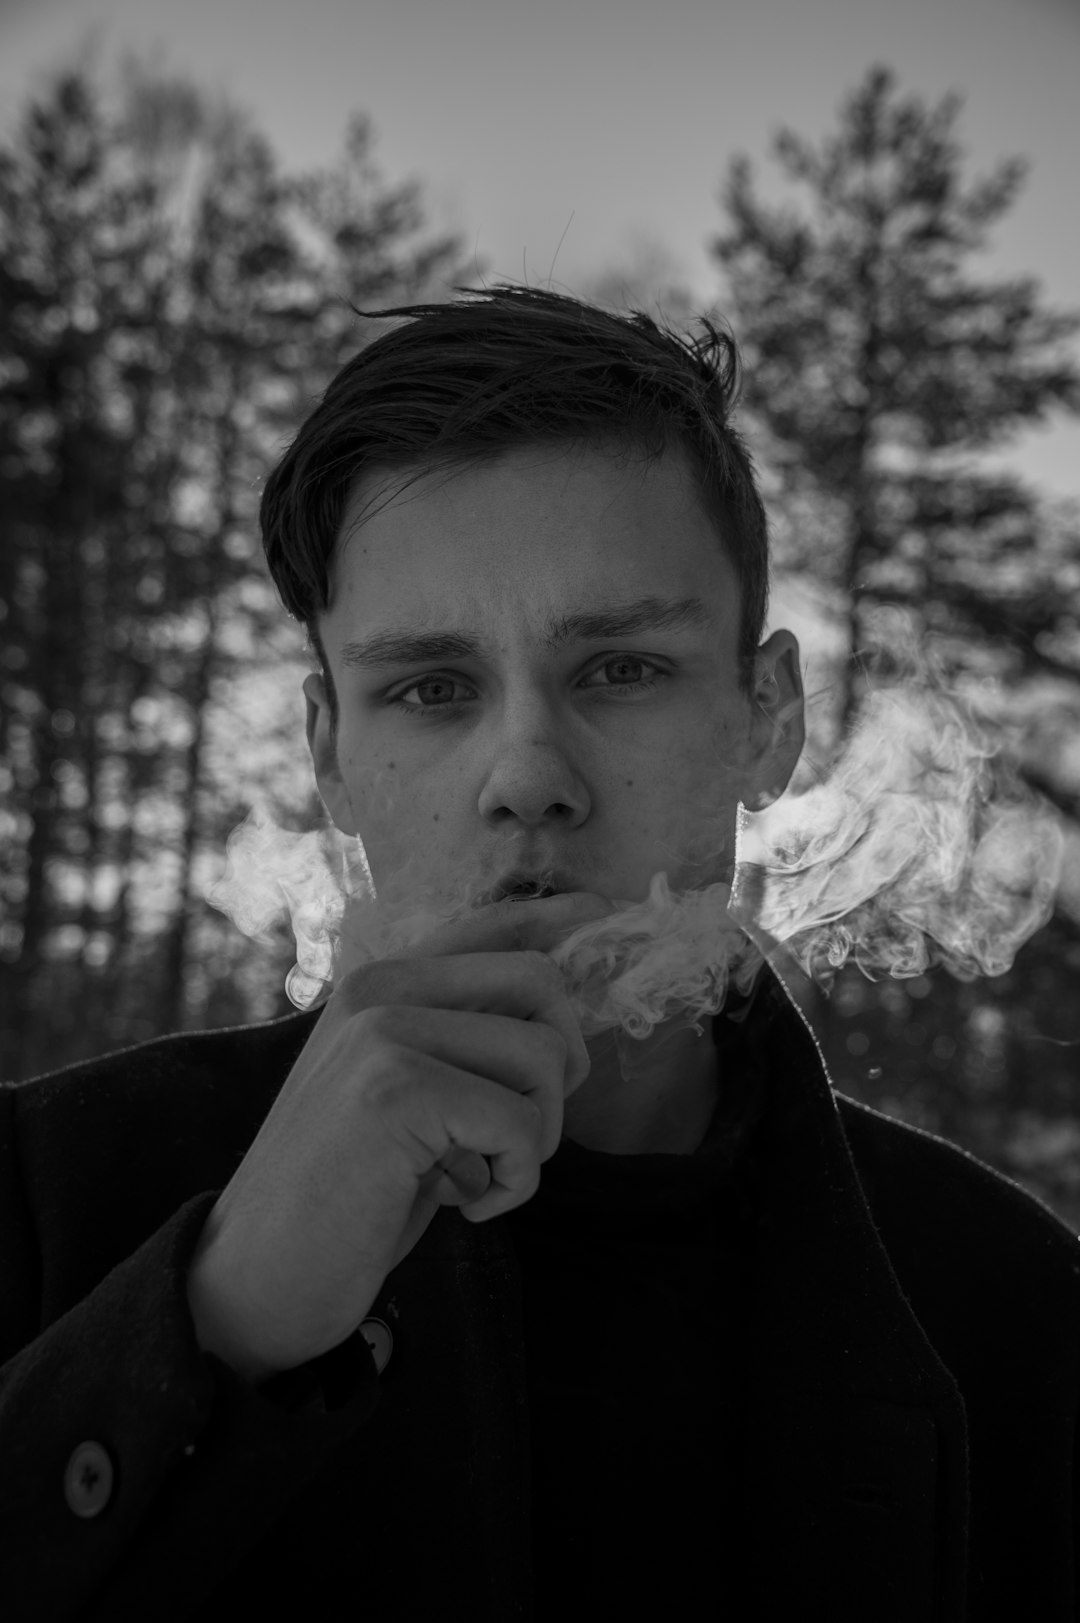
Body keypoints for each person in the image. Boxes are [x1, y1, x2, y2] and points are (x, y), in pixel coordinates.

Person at [1, 285, 1077, 1623]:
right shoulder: (46, 1199)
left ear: (768, 715)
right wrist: (213, 1325)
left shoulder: (1018, 1317)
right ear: (330, 752)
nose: (528, 775)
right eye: (432, 688)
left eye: (621, 669)